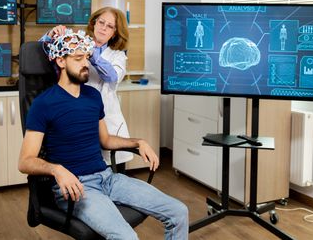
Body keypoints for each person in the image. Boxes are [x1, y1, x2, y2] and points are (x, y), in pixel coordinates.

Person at [19, 29, 189, 240]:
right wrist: (57, 170)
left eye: (87, 57)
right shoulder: (43, 104)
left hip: (107, 178)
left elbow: (105, 140)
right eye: (78, 58)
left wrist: (138, 142)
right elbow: (25, 161)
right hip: (78, 188)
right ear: (61, 61)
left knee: (179, 212)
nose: (85, 63)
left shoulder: (92, 95)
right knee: (127, 238)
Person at [40, 7, 132, 171]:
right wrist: (51, 35)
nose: (103, 27)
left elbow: (111, 76)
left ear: (115, 32)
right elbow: (41, 52)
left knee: (114, 177)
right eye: (101, 22)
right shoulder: (76, 44)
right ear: (94, 22)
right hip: (77, 118)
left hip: (108, 123)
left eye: (110, 26)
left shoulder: (118, 56)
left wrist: (91, 51)